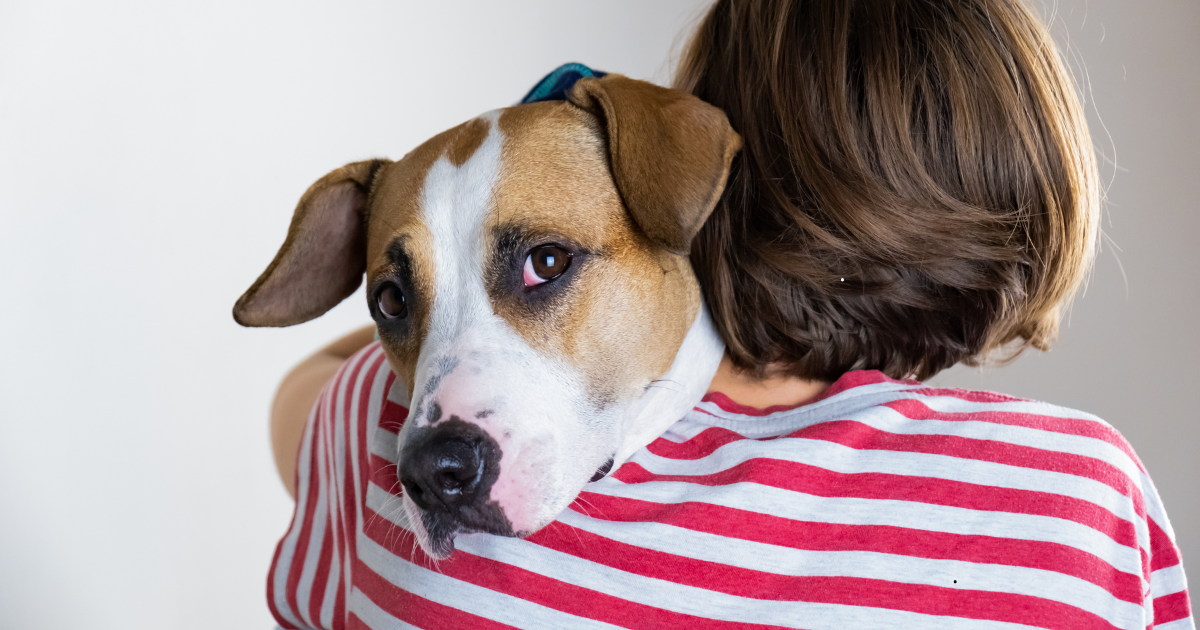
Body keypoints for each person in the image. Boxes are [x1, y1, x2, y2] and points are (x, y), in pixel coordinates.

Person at [263, 0, 1193, 628]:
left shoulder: (368, 429)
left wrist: (423, 279)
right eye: (401, 306)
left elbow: (298, 402)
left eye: (546, 262)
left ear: (711, 170)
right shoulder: (1078, 503)